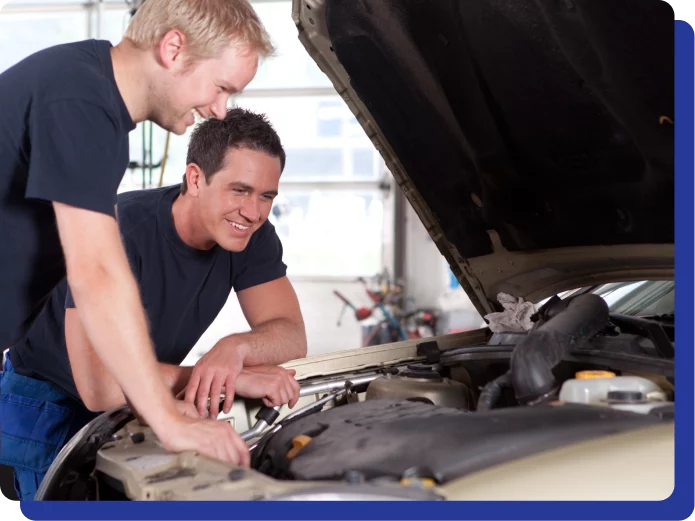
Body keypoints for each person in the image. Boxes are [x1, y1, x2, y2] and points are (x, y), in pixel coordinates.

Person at [0, 0, 274, 472]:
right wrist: (168, 419)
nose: (219, 110)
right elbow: (98, 274)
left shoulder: (92, 102)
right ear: (173, 48)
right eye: (221, 87)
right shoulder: (78, 100)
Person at [1, 107, 307, 501]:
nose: (253, 212)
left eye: (266, 196)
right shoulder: (121, 232)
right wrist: (214, 376)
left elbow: (290, 333)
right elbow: (98, 386)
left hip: (133, 397)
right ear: (196, 178)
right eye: (239, 190)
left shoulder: (252, 235)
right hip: (46, 407)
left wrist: (235, 349)